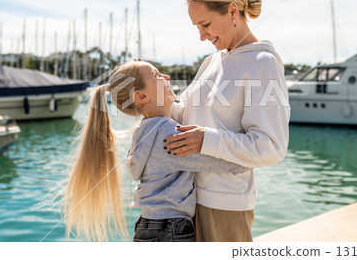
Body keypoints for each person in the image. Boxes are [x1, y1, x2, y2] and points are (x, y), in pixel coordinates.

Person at [165, 0, 291, 242]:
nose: (201, 36)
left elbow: (271, 147)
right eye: (197, 27)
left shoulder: (262, 62)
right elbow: (183, 116)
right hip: (184, 197)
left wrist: (206, 139)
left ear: (233, 11)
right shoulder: (210, 62)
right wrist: (149, 95)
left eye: (206, 24)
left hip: (224, 206)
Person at [63, 60, 248, 242]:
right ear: (141, 97)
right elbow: (231, 164)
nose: (166, 76)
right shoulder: (169, 135)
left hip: (148, 225)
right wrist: (250, 146)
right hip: (171, 229)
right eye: (156, 75)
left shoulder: (144, 132)